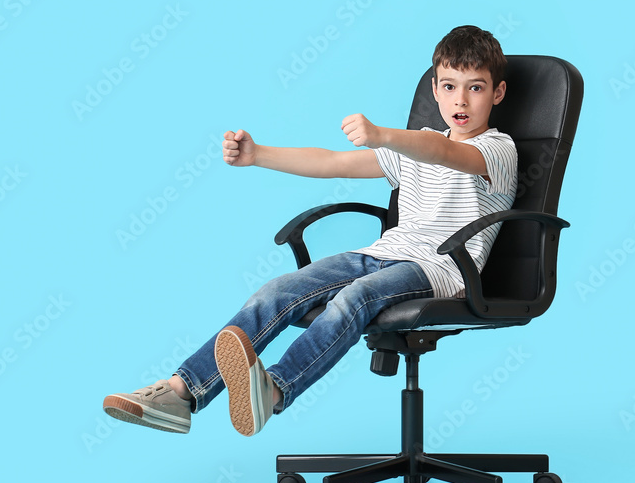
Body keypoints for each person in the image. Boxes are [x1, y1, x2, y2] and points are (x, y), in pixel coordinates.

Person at [102, 25, 517, 437]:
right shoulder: (415, 147)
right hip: (386, 252)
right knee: (280, 289)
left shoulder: (498, 151)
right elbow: (333, 163)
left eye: (475, 88)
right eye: (449, 86)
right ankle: (181, 393)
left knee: (354, 297)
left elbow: (447, 152)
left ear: (497, 93)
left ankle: (275, 389)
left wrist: (383, 136)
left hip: (440, 269)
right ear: (434, 87)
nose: (460, 100)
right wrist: (258, 155)